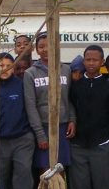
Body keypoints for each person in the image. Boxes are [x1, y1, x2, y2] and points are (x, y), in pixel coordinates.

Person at [68, 45, 109, 189]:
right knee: (81, 185)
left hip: (101, 144)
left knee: (103, 184)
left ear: (102, 62)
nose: (91, 63)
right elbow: (70, 107)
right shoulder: (75, 85)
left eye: (95, 60)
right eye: (88, 59)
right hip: (78, 145)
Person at [23, 32, 76, 170]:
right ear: (36, 49)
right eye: (41, 46)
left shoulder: (66, 70)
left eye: (49, 45)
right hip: (43, 127)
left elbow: (69, 98)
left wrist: (72, 119)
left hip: (62, 126)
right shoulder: (30, 73)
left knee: (61, 169)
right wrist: (40, 135)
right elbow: (30, 106)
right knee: (45, 170)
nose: (45, 49)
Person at [0, 52, 34, 189]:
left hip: (22, 138)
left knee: (22, 175)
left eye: (9, 66)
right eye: (1, 66)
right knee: (0, 178)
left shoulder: (21, 84)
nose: (5, 69)